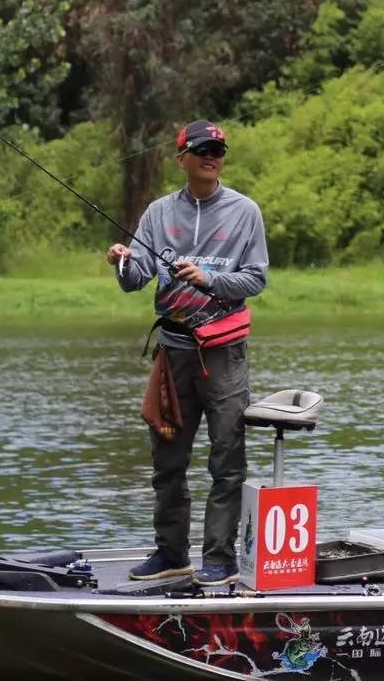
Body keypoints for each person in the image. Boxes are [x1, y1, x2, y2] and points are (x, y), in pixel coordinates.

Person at [105, 119, 269, 586]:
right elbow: (135, 280)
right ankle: (170, 554)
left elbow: (256, 279)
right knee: (168, 460)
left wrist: (209, 278)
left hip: (223, 354)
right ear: (182, 158)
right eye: (200, 149)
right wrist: (122, 261)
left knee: (227, 459)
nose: (210, 155)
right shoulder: (158, 213)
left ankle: (219, 558)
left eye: (217, 149)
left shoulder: (245, 212)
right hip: (173, 352)